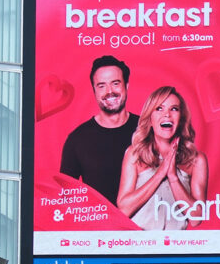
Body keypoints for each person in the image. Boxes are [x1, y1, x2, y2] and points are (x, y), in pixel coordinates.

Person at [116, 86, 208, 230]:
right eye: (159, 108)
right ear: (150, 119)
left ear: (181, 118)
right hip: (139, 246)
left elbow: (196, 218)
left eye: (174, 109)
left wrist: (173, 177)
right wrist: (160, 174)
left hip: (176, 247)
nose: (167, 115)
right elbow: (124, 210)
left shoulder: (197, 160)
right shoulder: (134, 153)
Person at [59, 56, 139, 204]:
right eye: (101, 86)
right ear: (94, 90)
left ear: (126, 86)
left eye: (115, 83)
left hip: (147, 226)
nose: (109, 91)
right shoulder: (77, 140)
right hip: (99, 225)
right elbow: (66, 198)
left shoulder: (148, 130)